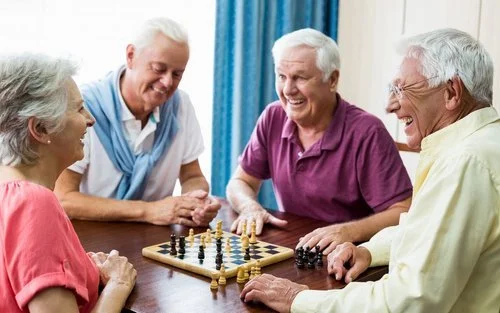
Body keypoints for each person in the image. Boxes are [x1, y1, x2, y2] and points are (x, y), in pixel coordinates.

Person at [240, 28, 500, 313]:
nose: (390, 105)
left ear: (451, 93)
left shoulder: (464, 163)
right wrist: (370, 250)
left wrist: (298, 299)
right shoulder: (480, 144)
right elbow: (423, 231)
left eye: (402, 89)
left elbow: (409, 301)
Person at [226, 28, 412, 254]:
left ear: (332, 80)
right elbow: (240, 182)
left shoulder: (367, 132)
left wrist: (347, 232)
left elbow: (402, 210)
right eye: (281, 76)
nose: (287, 90)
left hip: (349, 258)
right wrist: (250, 207)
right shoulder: (273, 116)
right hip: (294, 249)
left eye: (300, 77)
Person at [0, 54, 137, 312]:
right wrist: (118, 283)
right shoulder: (34, 203)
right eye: (78, 108)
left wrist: (82, 266)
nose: (90, 119)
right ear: (40, 128)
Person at [54, 17, 220, 227]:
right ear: (131, 56)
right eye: (159, 69)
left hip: (155, 241)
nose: (167, 82)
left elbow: (192, 175)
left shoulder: (181, 105)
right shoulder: (84, 106)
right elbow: (64, 198)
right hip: (93, 242)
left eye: (177, 74)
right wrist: (149, 211)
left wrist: (195, 201)